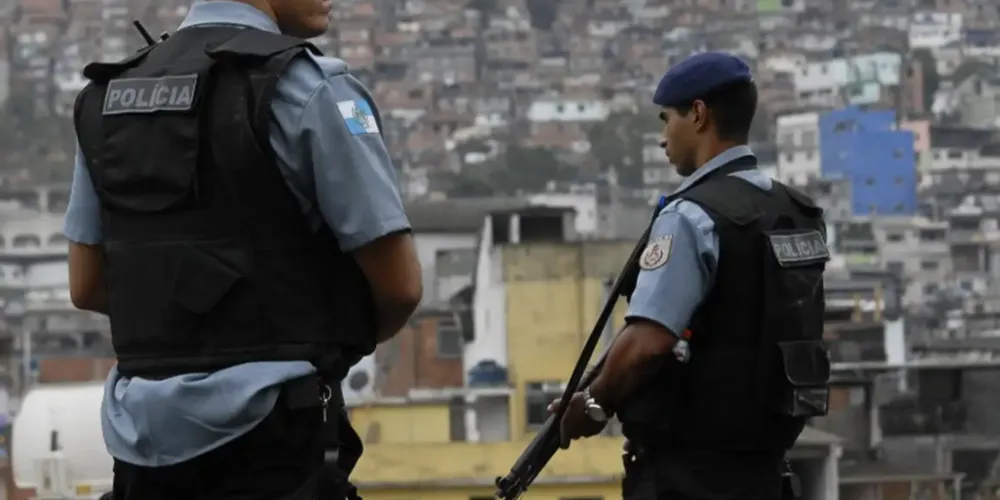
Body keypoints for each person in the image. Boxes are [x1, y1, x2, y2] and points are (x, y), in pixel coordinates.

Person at [64, 0, 422, 498]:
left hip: (140, 449)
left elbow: (86, 286)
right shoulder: (310, 88)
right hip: (273, 445)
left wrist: (187, 316)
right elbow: (401, 288)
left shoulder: (105, 98)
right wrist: (315, 334)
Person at [549, 52, 832, 500]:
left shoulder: (692, 216)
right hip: (766, 473)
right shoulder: (794, 212)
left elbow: (648, 342)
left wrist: (594, 404)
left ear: (698, 115)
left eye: (667, 120)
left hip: (689, 477)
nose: (663, 138)